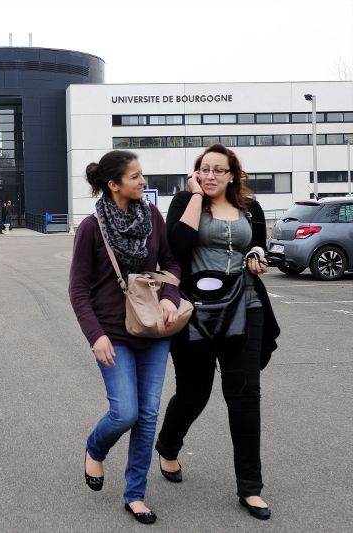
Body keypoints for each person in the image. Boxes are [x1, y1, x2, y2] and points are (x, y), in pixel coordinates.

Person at [155, 144, 279, 521]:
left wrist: (257, 255)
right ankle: (169, 445)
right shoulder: (183, 202)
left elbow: (258, 241)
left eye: (217, 170)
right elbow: (177, 246)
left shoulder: (249, 205)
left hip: (245, 306)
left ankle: (250, 488)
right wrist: (195, 196)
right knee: (194, 393)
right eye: (203, 169)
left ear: (231, 175)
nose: (209, 176)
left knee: (244, 395)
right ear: (196, 173)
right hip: (195, 311)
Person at [69, 150, 181, 525]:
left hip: (152, 329)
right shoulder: (91, 227)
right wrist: (94, 335)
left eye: (141, 175)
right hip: (113, 334)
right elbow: (78, 289)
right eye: (135, 177)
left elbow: (171, 262)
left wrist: (170, 298)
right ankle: (95, 448)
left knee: (148, 414)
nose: (142, 181)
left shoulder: (152, 217)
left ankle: (135, 494)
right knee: (125, 412)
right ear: (114, 184)